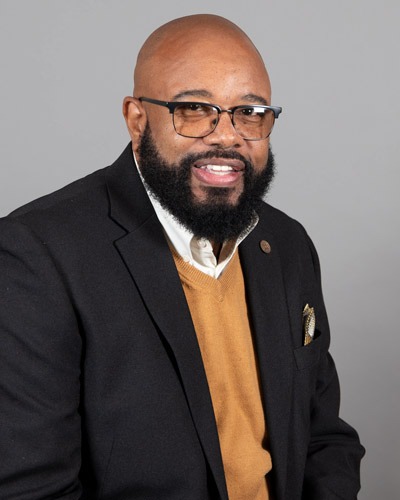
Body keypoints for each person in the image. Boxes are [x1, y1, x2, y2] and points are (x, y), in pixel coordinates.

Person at [0, 14, 364, 500]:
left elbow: (324, 438)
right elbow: (33, 488)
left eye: (250, 112)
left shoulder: (287, 243)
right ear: (137, 120)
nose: (228, 135)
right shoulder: (36, 256)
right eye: (194, 108)